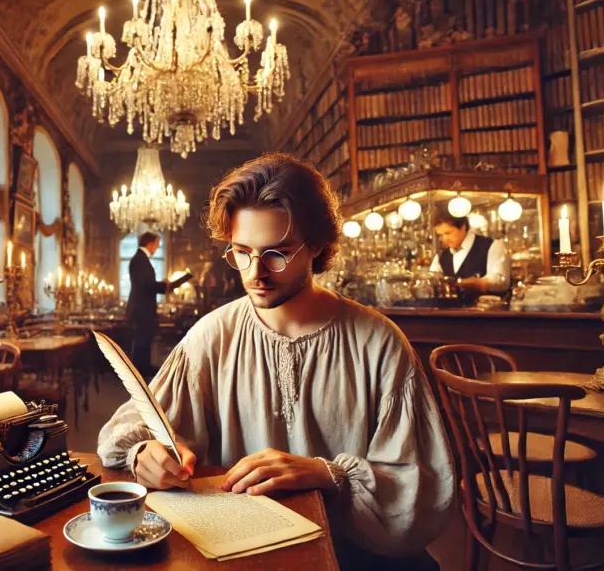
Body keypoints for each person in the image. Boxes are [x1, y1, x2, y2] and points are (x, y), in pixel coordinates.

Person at [98, 154, 455, 570]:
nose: (256, 273)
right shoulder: (211, 335)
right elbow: (123, 432)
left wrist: (328, 473)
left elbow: (422, 487)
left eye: (277, 254)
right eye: (242, 252)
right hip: (239, 551)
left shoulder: (378, 343)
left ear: (318, 245)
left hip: (353, 553)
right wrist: (144, 452)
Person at [429, 209, 510, 300]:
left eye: (448, 233)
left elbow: (500, 282)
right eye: (440, 235)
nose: (443, 239)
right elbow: (431, 279)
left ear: (463, 227)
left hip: (486, 312)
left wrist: (474, 283)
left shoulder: (492, 246)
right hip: (450, 312)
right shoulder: (441, 255)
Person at [125, 231, 169, 378]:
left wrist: (163, 286)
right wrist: (163, 285)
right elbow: (144, 284)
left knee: (145, 339)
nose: (157, 247)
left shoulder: (140, 259)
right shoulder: (139, 259)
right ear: (150, 244)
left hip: (143, 308)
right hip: (141, 309)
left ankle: (144, 367)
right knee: (141, 340)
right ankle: (139, 371)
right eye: (157, 244)